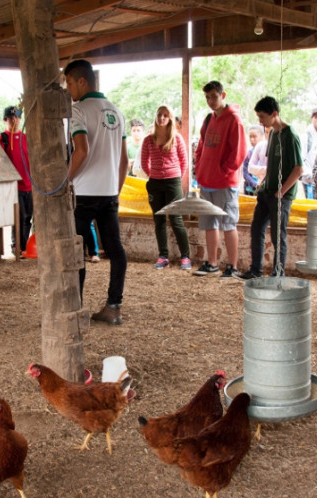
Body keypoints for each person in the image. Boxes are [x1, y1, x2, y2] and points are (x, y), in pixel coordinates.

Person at [64, 59, 129, 325]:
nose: (68, 89)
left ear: (82, 81)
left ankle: (76, 311)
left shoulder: (78, 110)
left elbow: (82, 151)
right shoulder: (117, 111)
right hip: (109, 191)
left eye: (69, 82)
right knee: (115, 249)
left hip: (84, 192)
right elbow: (124, 161)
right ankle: (113, 306)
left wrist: (64, 181)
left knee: (76, 252)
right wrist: (116, 189)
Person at [236, 96, 302, 280]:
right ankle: (255, 270)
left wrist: (282, 191)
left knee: (277, 236)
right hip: (267, 191)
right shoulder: (272, 133)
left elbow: (298, 169)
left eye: (262, 116)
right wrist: (264, 184)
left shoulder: (291, 136)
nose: (260, 121)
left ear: (274, 114)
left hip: (282, 195)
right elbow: (271, 163)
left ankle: (277, 274)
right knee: (256, 229)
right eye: (258, 116)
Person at [192, 80, 246, 279]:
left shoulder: (234, 120)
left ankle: (232, 266)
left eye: (214, 96)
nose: (210, 101)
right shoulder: (208, 119)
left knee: (228, 224)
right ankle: (212, 262)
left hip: (225, 182)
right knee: (209, 223)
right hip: (207, 180)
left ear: (223, 95)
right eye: (207, 97)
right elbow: (201, 146)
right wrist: (200, 168)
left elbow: (239, 153)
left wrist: (224, 171)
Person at [141, 105, 191, 270]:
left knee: (176, 218)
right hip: (155, 183)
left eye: (165, 115)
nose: (161, 118)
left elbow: (184, 162)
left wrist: (175, 176)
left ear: (170, 118)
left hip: (173, 182)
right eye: (159, 115)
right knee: (159, 219)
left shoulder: (176, 139)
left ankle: (185, 256)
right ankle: (163, 256)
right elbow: (144, 162)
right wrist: (153, 175)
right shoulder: (148, 139)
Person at [0, 106, 33, 253]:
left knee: (28, 217)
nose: (14, 121)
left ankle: (24, 246)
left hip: (29, 184)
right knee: (18, 217)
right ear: (5, 119)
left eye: (17, 118)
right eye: (11, 118)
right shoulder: (4, 138)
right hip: (15, 185)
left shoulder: (26, 138)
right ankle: (16, 245)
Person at [242, 126, 265, 195]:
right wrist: (255, 185)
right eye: (250, 137)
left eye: (254, 136)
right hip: (250, 190)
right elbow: (245, 172)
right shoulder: (249, 153)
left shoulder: (266, 152)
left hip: (263, 189)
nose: (252, 139)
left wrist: (260, 185)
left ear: (261, 136)